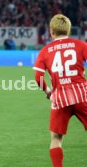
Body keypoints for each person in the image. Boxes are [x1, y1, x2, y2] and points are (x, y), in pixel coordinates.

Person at [33, 14, 87, 167]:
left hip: (59, 97)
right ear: (69, 30)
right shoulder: (80, 45)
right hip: (82, 94)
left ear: (51, 31)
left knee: (56, 138)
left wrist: (48, 92)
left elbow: (38, 78)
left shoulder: (45, 50)